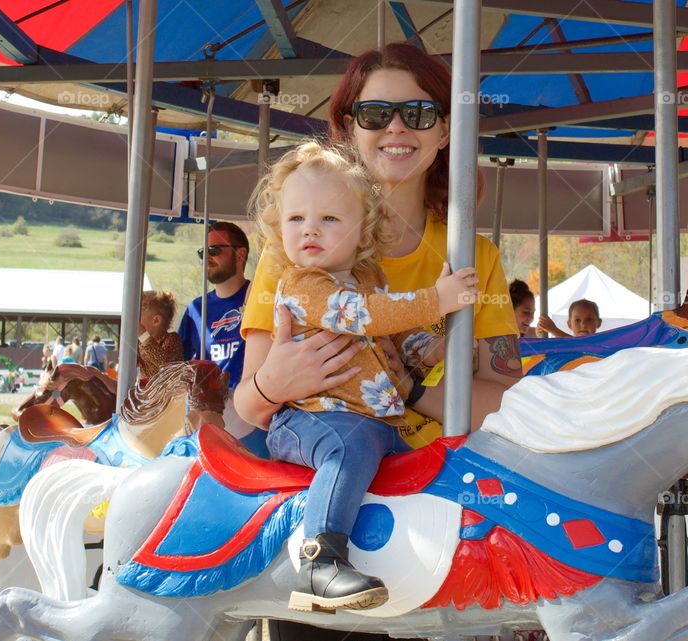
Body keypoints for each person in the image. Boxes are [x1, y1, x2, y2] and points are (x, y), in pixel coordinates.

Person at [235, 43, 521, 450]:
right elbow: (248, 406)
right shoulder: (296, 246)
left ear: (444, 131)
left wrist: (411, 390)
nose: (396, 128)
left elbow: (506, 403)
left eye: (418, 113)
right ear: (351, 128)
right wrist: (272, 384)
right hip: (325, 449)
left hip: (434, 473)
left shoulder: (476, 258)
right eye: (376, 114)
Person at [253, 139, 478, 613]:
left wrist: (435, 342)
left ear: (363, 232)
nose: (309, 229)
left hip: (371, 420)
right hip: (311, 419)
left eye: (329, 219)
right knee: (348, 448)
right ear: (279, 227)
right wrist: (435, 299)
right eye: (296, 219)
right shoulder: (303, 284)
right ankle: (319, 559)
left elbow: (389, 345)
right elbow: (366, 317)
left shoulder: (367, 280)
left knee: (416, 457)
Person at [178, 221, 256, 442]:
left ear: (240, 254)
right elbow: (179, 363)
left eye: (214, 250)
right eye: (203, 252)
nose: (207, 258)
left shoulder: (260, 299)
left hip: (251, 409)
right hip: (209, 408)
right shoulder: (196, 308)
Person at [138, 290, 184, 378]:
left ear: (156, 320)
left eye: (138, 319)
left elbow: (164, 363)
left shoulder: (172, 339)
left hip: (167, 390)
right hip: (146, 389)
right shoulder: (140, 343)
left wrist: (143, 335)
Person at [536, 298, 603, 338]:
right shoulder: (563, 347)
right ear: (569, 324)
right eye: (577, 320)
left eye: (589, 319)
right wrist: (540, 333)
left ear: (599, 322)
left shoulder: (603, 344)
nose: (583, 325)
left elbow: (580, 345)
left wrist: (554, 330)